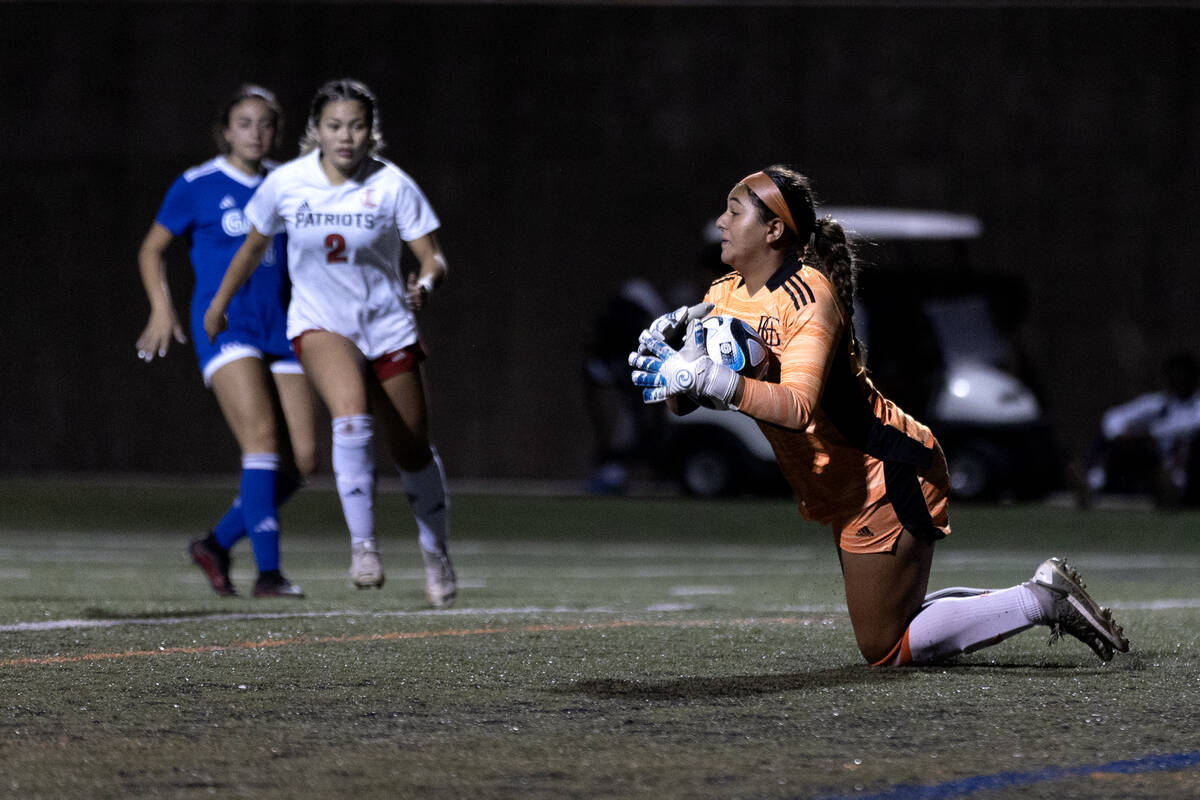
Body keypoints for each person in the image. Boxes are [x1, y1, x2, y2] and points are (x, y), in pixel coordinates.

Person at [630, 165, 1129, 665]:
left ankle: (1040, 601)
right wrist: (672, 370)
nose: (720, 221)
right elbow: (693, 396)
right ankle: (1039, 596)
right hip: (846, 482)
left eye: (733, 211)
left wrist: (711, 379)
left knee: (884, 647)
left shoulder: (809, 297)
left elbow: (796, 407)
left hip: (884, 471)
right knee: (895, 624)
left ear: (774, 229)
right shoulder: (724, 294)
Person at [202, 78, 456, 608]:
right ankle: (364, 546)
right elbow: (251, 248)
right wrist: (218, 303)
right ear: (316, 130)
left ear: (372, 132)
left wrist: (425, 283)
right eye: (335, 126)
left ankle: (435, 550)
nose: (346, 137)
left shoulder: (392, 185)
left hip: (387, 325)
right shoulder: (290, 183)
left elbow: (431, 257)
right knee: (349, 414)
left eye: (357, 126)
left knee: (411, 448)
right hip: (321, 323)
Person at [137, 84, 316, 600]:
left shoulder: (286, 183)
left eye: (264, 123)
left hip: (279, 327)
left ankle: (214, 545)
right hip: (223, 324)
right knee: (260, 439)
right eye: (244, 122)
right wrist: (161, 305)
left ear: (276, 132)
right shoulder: (197, 184)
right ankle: (269, 574)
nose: (255, 133)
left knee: (303, 460)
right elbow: (152, 250)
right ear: (224, 131)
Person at [1086, 352, 1200, 506]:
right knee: (1114, 442)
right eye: (1174, 377)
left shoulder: (1196, 406)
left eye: (1183, 377)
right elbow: (1112, 418)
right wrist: (1123, 433)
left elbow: (1187, 426)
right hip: (1152, 461)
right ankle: (1093, 483)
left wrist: (1146, 433)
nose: (1179, 382)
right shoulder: (1156, 403)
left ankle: (1174, 488)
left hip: (1184, 463)